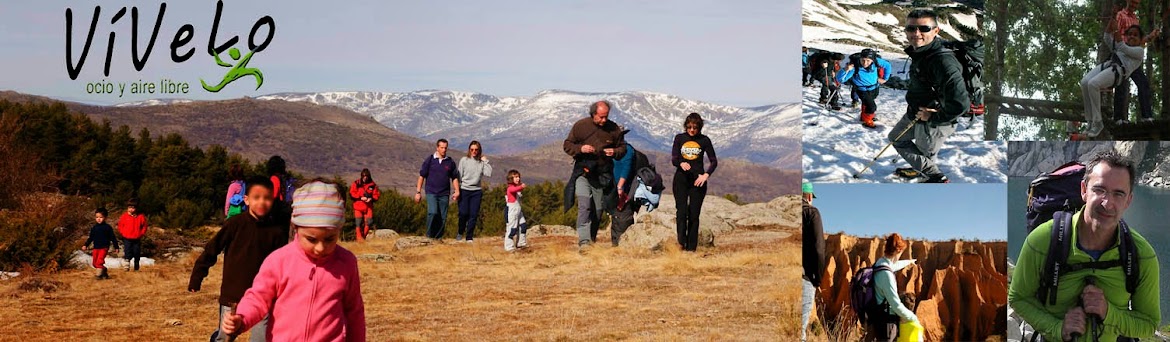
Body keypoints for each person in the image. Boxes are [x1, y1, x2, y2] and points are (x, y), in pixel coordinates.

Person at [1009, 152, 1160, 342]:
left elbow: (1149, 324)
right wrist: (1058, 328)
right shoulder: (1042, 240)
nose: (1107, 203)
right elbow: (1018, 297)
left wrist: (1108, 312)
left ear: (1129, 200)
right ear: (1084, 190)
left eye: (1118, 194)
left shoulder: (1141, 255)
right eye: (1099, 190)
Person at [221, 180, 366, 341]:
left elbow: (354, 312)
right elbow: (258, 298)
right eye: (311, 239)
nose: (320, 248)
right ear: (296, 228)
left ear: (339, 230)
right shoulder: (279, 261)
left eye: (329, 239)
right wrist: (242, 318)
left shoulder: (346, 262)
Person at [189, 177, 287, 342]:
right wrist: (197, 275)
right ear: (246, 200)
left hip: (263, 295)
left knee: (261, 339)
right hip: (232, 294)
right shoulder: (235, 224)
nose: (262, 202)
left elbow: (283, 265)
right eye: (257, 197)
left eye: (267, 198)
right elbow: (213, 249)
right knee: (225, 336)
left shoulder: (277, 232)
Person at [889, 9, 970, 183]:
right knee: (896, 138)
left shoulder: (942, 61)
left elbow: (961, 103)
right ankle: (924, 170)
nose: (916, 33)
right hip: (916, 112)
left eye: (924, 29)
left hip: (934, 120)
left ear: (936, 31)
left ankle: (934, 178)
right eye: (911, 28)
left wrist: (932, 116)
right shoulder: (922, 52)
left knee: (925, 154)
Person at [563, 100, 627, 251]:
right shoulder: (581, 126)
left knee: (598, 210)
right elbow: (567, 145)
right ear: (593, 114)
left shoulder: (613, 129)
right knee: (584, 206)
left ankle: (591, 239)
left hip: (602, 176)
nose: (604, 120)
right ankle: (584, 242)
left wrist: (615, 152)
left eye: (606, 117)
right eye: (601, 117)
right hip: (583, 173)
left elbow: (622, 148)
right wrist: (581, 148)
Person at [1081, 22, 1158, 138]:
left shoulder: (1139, 52)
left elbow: (1122, 47)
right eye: (1130, 34)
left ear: (1141, 40)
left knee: (1093, 84)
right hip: (1108, 65)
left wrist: (1116, 30)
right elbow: (1107, 37)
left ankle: (1098, 122)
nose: (1132, 36)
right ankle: (1090, 120)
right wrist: (1111, 22)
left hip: (1118, 72)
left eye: (1135, 35)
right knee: (1084, 82)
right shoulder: (1121, 47)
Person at [671, 113, 717, 252]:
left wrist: (706, 175)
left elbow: (714, 161)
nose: (692, 130)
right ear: (686, 126)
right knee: (681, 212)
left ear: (699, 128)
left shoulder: (704, 140)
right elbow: (674, 158)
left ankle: (691, 249)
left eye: (695, 128)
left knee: (693, 215)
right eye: (689, 127)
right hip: (681, 180)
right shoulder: (679, 138)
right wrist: (680, 163)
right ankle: (681, 243)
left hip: (698, 182)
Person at [1111, 0, 1158, 124]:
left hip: (1132, 57)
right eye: (1132, 2)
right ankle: (1118, 118)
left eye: (1136, 3)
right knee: (1121, 85)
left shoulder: (1136, 19)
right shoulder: (1121, 15)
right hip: (1122, 54)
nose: (1134, 5)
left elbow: (1138, 39)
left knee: (1143, 84)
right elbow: (1116, 33)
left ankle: (1146, 116)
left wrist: (1149, 37)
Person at [865, 233, 918, 342]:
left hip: (876, 317)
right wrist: (912, 317)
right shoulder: (886, 275)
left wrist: (909, 262)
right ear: (898, 251)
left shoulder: (879, 263)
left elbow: (893, 265)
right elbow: (895, 304)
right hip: (886, 323)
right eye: (901, 253)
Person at [415, 139, 461, 240]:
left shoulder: (450, 162)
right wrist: (418, 192)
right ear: (437, 148)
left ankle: (438, 238)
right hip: (431, 192)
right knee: (432, 212)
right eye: (442, 147)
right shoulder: (430, 160)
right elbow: (421, 176)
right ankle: (428, 236)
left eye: (445, 148)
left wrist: (457, 191)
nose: (444, 150)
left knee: (442, 217)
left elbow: (454, 178)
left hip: (444, 193)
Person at [800, 182, 825, 342]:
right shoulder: (811, 213)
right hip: (805, 276)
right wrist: (818, 278)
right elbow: (819, 249)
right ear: (809, 196)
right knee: (800, 329)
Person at [457, 141, 492, 242]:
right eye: (472, 149)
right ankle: (460, 232)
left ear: (479, 150)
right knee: (463, 213)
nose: (474, 151)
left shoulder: (481, 162)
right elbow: (459, 176)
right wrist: (457, 190)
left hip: (476, 191)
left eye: (476, 150)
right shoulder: (464, 160)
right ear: (469, 150)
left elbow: (489, 173)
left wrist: (486, 161)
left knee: (473, 214)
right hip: (464, 190)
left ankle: (469, 237)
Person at [838, 50, 883, 128]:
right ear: (860, 59)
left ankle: (864, 116)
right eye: (863, 60)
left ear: (872, 60)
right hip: (862, 90)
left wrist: (885, 78)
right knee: (872, 106)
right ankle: (867, 120)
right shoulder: (855, 67)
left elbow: (887, 65)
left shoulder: (876, 63)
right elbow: (840, 79)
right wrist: (845, 69)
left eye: (868, 60)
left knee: (867, 103)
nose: (865, 63)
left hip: (874, 88)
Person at [609, 138, 637, 246]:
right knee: (616, 216)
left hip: (625, 190)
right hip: (614, 189)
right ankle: (616, 244)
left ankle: (623, 244)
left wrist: (620, 186)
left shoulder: (628, 150)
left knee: (623, 217)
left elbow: (626, 168)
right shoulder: (612, 149)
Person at [82, 208, 119, 280]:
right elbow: (91, 238)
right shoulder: (94, 228)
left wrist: (116, 247)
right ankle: (104, 271)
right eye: (97, 217)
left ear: (105, 218)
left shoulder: (107, 227)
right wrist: (85, 245)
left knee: (99, 262)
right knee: (95, 263)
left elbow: (113, 238)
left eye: (101, 217)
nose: (99, 219)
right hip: (96, 247)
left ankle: (98, 275)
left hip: (104, 247)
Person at [348, 169, 381, 242]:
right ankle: (359, 239)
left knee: (368, 222)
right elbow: (352, 193)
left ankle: (363, 237)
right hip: (358, 206)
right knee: (358, 223)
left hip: (368, 207)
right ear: (361, 176)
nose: (365, 177)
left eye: (366, 176)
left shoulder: (373, 185)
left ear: (369, 176)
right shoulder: (356, 183)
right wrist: (360, 197)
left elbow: (376, 195)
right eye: (363, 176)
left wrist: (371, 199)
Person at [117, 198, 148, 272]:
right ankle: (126, 265)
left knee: (136, 252)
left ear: (136, 208)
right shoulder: (124, 216)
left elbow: (144, 226)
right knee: (127, 251)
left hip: (137, 238)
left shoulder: (140, 217)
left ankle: (136, 265)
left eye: (133, 208)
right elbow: (120, 225)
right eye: (129, 207)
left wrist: (141, 233)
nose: (131, 209)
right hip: (127, 238)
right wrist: (123, 232)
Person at [503, 170, 528, 252]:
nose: (518, 178)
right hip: (512, 211)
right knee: (512, 229)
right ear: (511, 178)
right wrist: (521, 187)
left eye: (518, 177)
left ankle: (521, 243)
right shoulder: (510, 188)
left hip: (518, 210)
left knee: (523, 226)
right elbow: (513, 190)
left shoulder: (516, 188)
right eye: (516, 177)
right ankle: (509, 247)